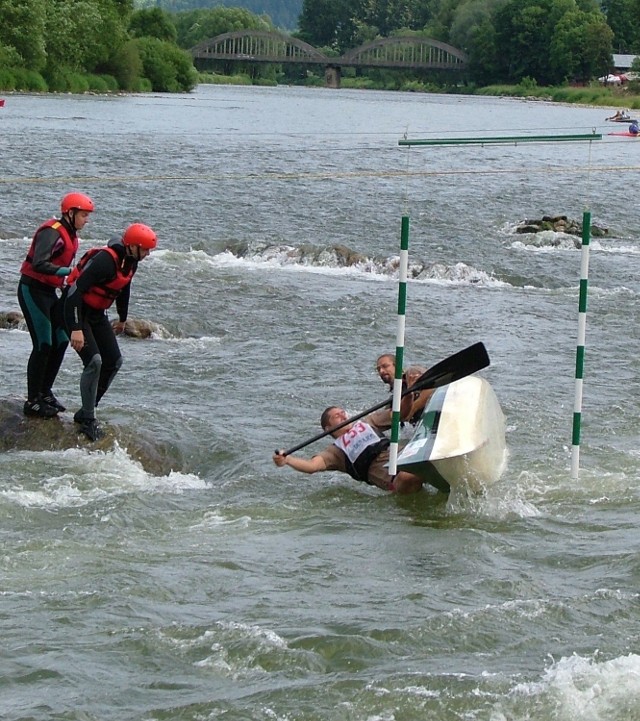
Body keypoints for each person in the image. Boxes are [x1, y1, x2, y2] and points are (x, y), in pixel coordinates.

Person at [61, 223, 157, 441]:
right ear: (133, 246)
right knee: (94, 361)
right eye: (146, 250)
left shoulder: (131, 263)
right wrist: (76, 329)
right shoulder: (105, 260)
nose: (148, 254)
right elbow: (74, 291)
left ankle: (87, 409)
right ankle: (87, 419)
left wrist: (122, 319)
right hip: (75, 310)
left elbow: (123, 289)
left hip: (96, 314)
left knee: (114, 361)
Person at [17, 192, 95, 417]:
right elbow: (40, 264)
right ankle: (32, 400)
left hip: (50, 292)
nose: (86, 220)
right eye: (83, 215)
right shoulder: (52, 232)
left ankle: (45, 392)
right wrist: (69, 272)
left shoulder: (71, 235)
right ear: (70, 213)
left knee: (61, 341)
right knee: (43, 344)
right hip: (32, 290)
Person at [273, 406, 424, 494]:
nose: (342, 415)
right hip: (394, 476)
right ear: (328, 428)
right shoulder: (334, 452)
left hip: (404, 455)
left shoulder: (368, 422)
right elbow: (312, 466)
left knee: (417, 465)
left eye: (342, 412)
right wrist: (287, 460)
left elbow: (400, 413)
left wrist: (408, 395)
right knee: (408, 476)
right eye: (336, 416)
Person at [375, 353, 433, 426]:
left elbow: (432, 387)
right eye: (378, 369)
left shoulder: (411, 373)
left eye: (385, 366)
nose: (381, 371)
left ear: (397, 366)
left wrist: (413, 409)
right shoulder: (393, 400)